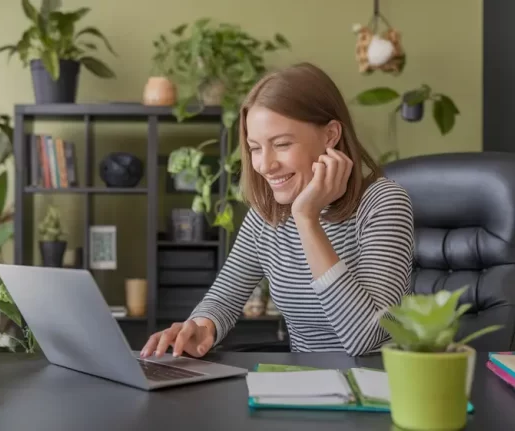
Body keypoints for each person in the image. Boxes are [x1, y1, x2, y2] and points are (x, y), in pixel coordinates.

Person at [141, 62, 414, 358]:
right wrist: (202, 327)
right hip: (303, 388)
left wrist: (307, 219)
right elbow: (224, 296)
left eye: (282, 144)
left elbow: (368, 339)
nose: (265, 165)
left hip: (378, 389)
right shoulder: (267, 214)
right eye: (255, 148)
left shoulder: (383, 202)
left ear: (330, 135)